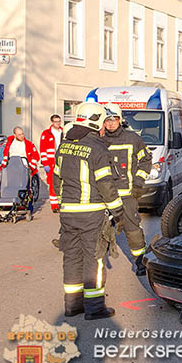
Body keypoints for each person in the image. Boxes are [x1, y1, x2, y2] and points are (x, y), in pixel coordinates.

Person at [53, 102, 124, 320]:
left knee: (72, 257)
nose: (105, 127)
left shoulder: (64, 145)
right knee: (95, 258)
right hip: (91, 214)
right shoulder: (97, 148)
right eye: (103, 122)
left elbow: (57, 180)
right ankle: (94, 308)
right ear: (95, 122)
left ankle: (72, 305)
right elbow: (106, 185)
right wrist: (118, 212)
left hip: (68, 213)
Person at [102, 103, 152, 276]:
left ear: (120, 119)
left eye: (113, 119)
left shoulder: (132, 139)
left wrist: (138, 183)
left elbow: (146, 160)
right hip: (104, 195)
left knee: (132, 228)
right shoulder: (98, 140)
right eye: (107, 120)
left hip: (127, 194)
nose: (110, 123)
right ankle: (98, 261)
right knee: (101, 228)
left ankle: (140, 262)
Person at [40, 114, 63, 212]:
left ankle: (61, 203)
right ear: (52, 122)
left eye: (59, 121)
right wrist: (45, 163)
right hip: (51, 163)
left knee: (63, 183)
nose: (58, 123)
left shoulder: (63, 132)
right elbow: (42, 149)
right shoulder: (46, 133)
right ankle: (54, 205)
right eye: (56, 121)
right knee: (53, 183)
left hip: (62, 161)